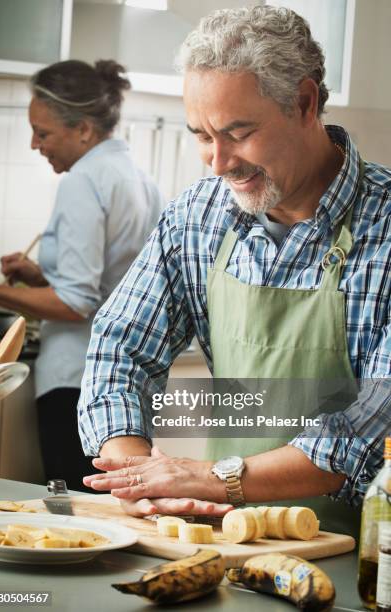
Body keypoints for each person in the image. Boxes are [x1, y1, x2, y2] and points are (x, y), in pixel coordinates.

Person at [78, 6, 390, 534]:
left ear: (305, 103)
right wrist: (137, 478)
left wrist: (212, 477)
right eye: (202, 135)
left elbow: (369, 422)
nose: (218, 162)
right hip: (226, 538)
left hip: (367, 550)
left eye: (238, 133)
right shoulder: (197, 216)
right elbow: (120, 348)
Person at [0, 59, 164, 491]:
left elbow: (77, 302)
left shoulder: (82, 181)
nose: (33, 144)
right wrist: (38, 274)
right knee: (115, 510)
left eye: (42, 133)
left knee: (73, 513)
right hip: (128, 384)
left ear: (84, 129)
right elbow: (108, 287)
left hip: (76, 383)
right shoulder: (139, 180)